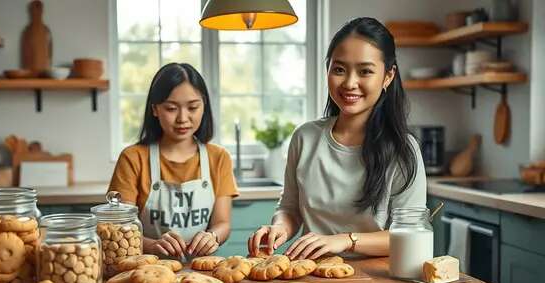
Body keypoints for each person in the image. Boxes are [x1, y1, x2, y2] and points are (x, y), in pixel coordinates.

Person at [248, 17, 427, 260]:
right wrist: (280, 227)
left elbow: (411, 235)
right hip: (311, 278)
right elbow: (289, 209)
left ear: (388, 76)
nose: (350, 83)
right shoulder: (305, 137)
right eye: (339, 69)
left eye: (365, 71)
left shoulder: (403, 149)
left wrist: (345, 240)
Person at [109, 63, 238, 259]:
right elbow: (119, 229)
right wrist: (152, 245)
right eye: (171, 108)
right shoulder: (133, 158)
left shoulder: (219, 158)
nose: (183, 118)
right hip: (145, 268)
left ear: (204, 106)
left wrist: (212, 236)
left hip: (200, 272)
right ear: (155, 109)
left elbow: (223, 224)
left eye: (193, 107)